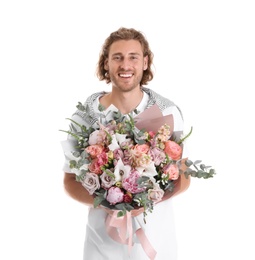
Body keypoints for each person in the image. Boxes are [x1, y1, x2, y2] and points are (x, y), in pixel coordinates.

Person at [62, 27, 191, 260]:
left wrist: (147, 200)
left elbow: (184, 176)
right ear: (106, 64)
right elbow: (70, 181)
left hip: (156, 241)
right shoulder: (85, 116)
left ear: (145, 62)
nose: (125, 65)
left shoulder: (167, 112)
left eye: (133, 57)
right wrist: (107, 203)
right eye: (117, 57)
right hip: (102, 244)